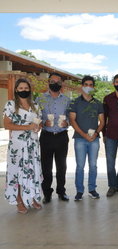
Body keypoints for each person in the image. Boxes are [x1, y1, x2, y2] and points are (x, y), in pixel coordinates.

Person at [3, 78, 42, 213]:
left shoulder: (35, 106)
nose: (24, 90)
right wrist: (27, 127)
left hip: (32, 145)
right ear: (16, 90)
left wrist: (37, 127)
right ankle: (19, 199)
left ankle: (31, 197)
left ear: (29, 90)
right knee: (17, 172)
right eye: (21, 88)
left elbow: (39, 123)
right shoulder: (11, 105)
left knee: (32, 170)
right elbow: (7, 125)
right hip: (17, 146)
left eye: (26, 88)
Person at [69, 75, 105, 201]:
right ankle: (79, 191)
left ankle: (92, 189)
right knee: (80, 166)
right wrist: (84, 135)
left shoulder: (98, 103)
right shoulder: (75, 102)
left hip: (94, 139)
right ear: (82, 86)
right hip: (79, 139)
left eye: (91, 85)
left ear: (93, 87)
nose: (88, 87)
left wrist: (96, 134)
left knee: (93, 165)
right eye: (86, 84)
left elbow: (102, 121)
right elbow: (72, 120)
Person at [37, 72, 71, 203]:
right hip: (46, 136)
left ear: (61, 84)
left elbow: (71, 116)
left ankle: (61, 191)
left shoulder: (67, 100)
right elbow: (36, 116)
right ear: (48, 83)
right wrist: (42, 122)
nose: (55, 84)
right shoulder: (40, 99)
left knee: (61, 166)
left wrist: (67, 122)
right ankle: (47, 193)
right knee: (46, 167)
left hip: (62, 136)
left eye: (58, 82)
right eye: (52, 81)